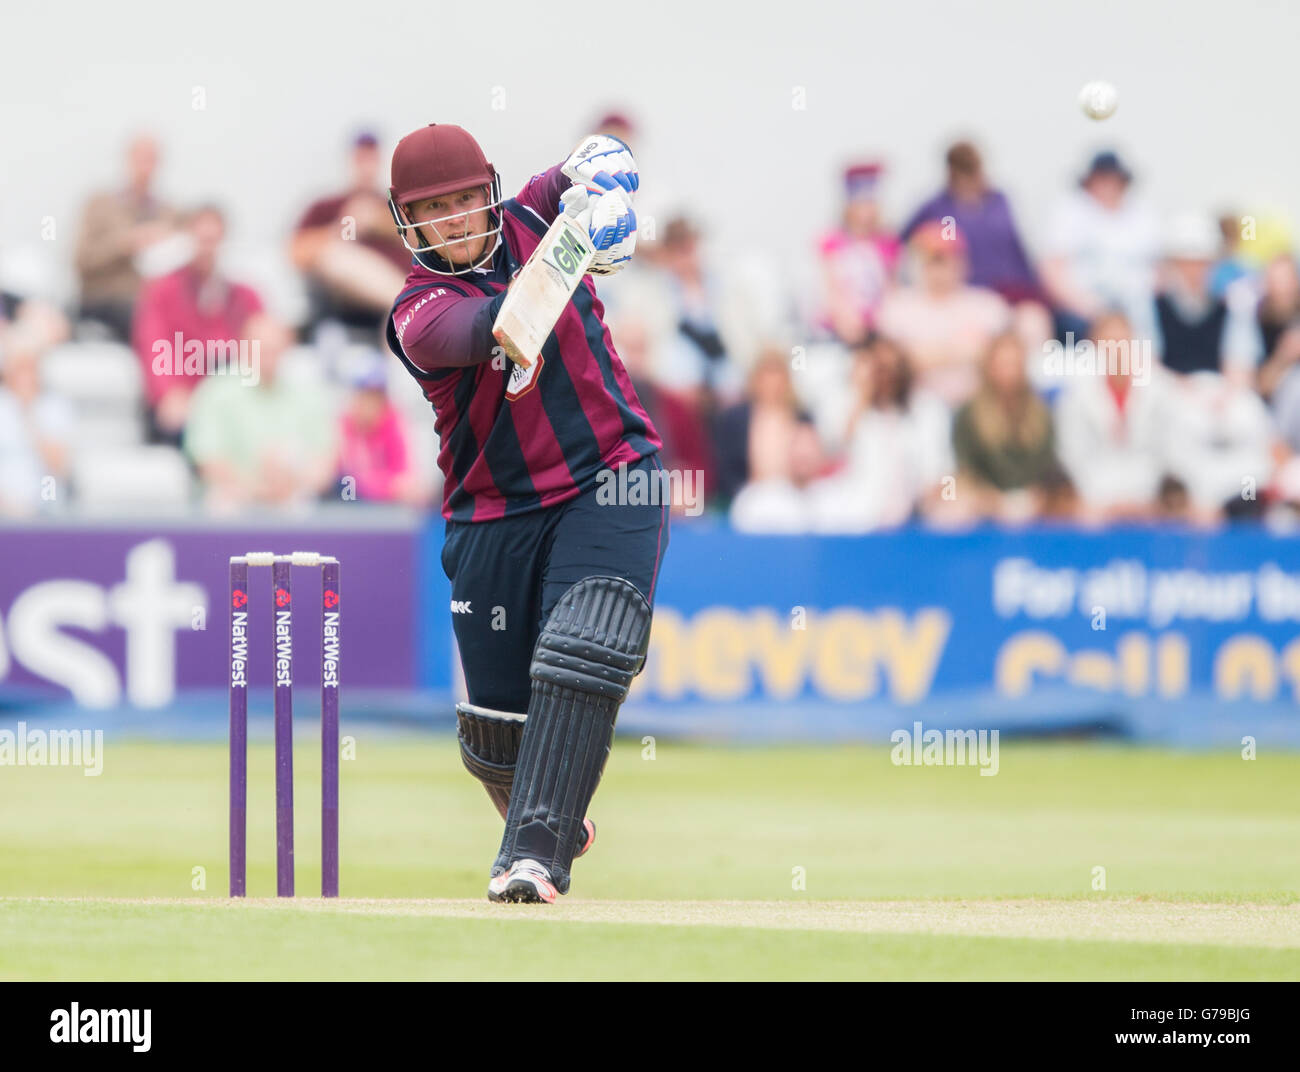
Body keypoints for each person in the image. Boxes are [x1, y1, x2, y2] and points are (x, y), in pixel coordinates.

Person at [383, 123, 666, 904]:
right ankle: (546, 820)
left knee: (585, 643)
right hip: (491, 516)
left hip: (609, 476)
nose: (453, 219)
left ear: (489, 193)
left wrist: (602, 171)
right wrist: (579, 247)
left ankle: (534, 859)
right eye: (432, 208)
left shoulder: (531, 217)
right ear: (409, 221)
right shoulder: (418, 310)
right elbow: (505, 324)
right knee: (495, 739)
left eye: (466, 199)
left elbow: (590, 163)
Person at [132, 205, 263, 447]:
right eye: (201, 240)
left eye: (214, 240)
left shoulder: (245, 297)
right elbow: (154, 345)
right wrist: (168, 392)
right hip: (182, 399)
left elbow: (261, 346)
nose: (207, 249)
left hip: (232, 402)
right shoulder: (162, 291)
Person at [184, 314, 336, 512]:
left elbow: (324, 460)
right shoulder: (216, 392)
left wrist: (293, 483)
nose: (268, 358)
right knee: (222, 503)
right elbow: (206, 459)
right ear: (243, 348)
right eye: (261, 350)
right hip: (234, 498)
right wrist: (255, 488)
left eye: (274, 350)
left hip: (293, 499)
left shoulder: (308, 394)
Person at [875, 221, 1010, 408]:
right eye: (932, 261)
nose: (939, 270)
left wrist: (929, 355)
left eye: (945, 260)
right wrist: (963, 352)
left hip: (977, 406)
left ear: (963, 262)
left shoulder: (987, 305)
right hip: (917, 407)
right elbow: (899, 363)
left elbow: (999, 359)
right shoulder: (898, 306)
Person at [291, 132, 411, 337]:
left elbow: (426, 246)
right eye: (360, 159)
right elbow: (296, 253)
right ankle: (405, 303)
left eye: (371, 159)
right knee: (336, 255)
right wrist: (342, 226)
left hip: (391, 311)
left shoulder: (398, 208)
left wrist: (382, 223)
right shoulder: (326, 207)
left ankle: (404, 305)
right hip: (346, 306)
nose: (365, 167)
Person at [900, 141, 1040, 305]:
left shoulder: (999, 202)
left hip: (1009, 289)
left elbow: (1016, 246)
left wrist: (1034, 285)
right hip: (964, 294)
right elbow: (904, 243)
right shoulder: (939, 209)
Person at [1041, 151, 1160, 342]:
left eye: (1113, 179)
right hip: (1082, 311)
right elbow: (1053, 270)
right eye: (1102, 179)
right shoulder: (1070, 211)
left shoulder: (1142, 214)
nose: (1108, 185)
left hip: (1135, 309)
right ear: (1089, 181)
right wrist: (1093, 310)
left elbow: (1158, 270)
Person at [74, 134, 176, 340]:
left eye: (152, 160)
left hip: (152, 301)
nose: (146, 167)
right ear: (127, 160)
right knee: (147, 317)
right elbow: (80, 261)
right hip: (106, 299)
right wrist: (127, 243)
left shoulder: (169, 212)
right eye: (141, 159)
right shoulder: (100, 204)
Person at [817, 162, 899, 345]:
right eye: (861, 203)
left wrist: (885, 319)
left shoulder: (888, 242)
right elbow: (830, 286)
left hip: (879, 327)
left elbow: (891, 287)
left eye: (870, 203)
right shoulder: (832, 242)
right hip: (840, 328)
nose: (866, 210)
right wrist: (845, 319)